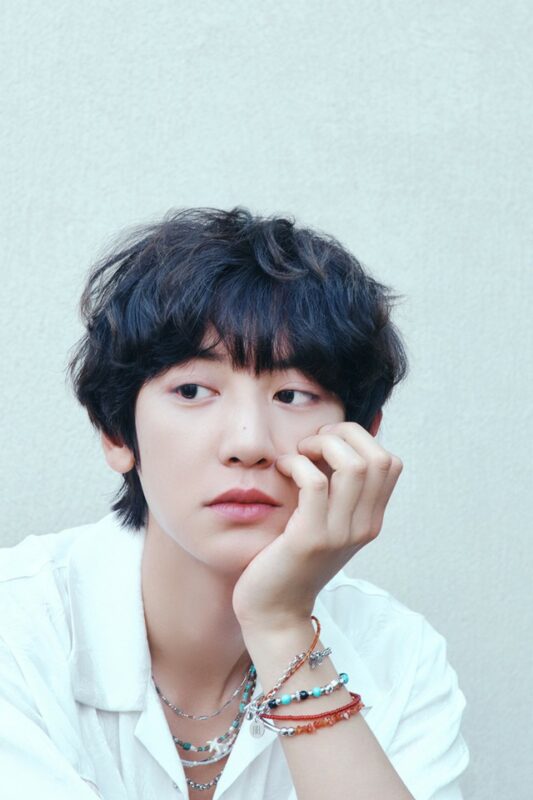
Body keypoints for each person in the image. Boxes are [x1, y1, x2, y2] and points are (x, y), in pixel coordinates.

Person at [0, 207, 469, 799]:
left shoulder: (399, 654)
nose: (248, 443)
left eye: (293, 395)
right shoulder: (17, 628)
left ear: (361, 438)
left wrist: (281, 625)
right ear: (117, 433)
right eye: (193, 390)